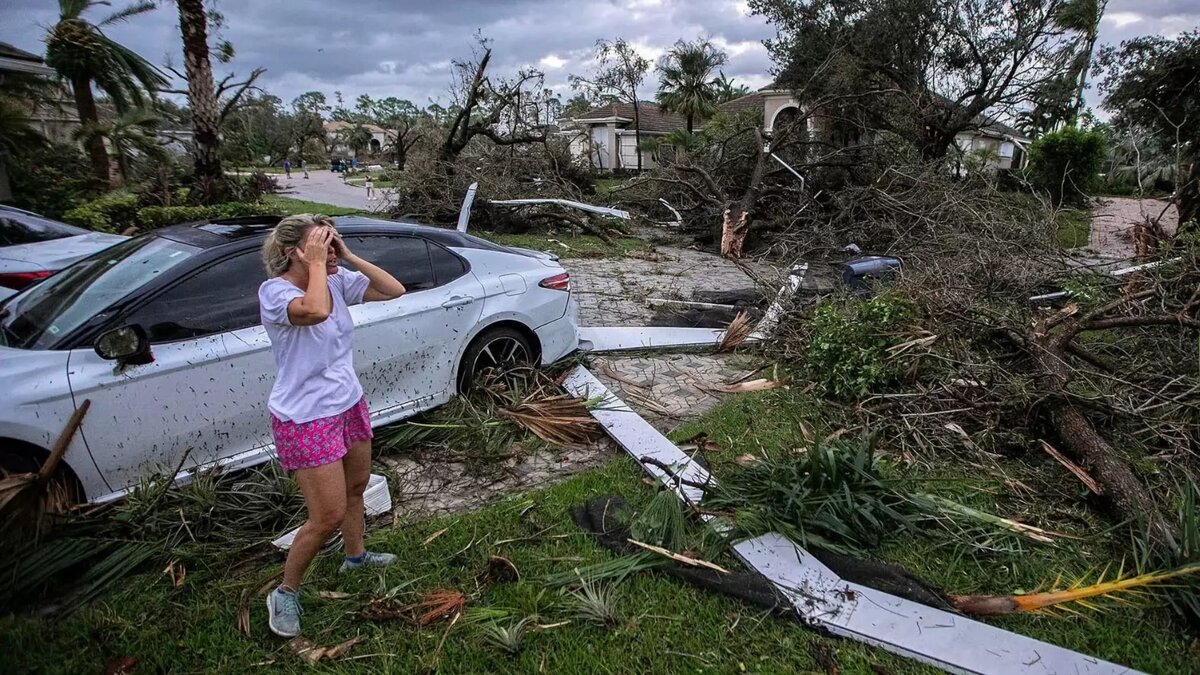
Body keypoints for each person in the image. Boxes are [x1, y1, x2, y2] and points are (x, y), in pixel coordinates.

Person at [258, 214, 406, 637]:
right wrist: (319, 265)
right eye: (321, 244)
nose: (330, 250)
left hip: (347, 403)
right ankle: (285, 592)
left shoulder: (336, 280)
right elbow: (316, 311)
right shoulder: (276, 292)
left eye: (332, 242)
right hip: (306, 417)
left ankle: (355, 557)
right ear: (294, 253)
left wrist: (348, 256)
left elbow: (393, 289)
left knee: (356, 488)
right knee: (326, 515)